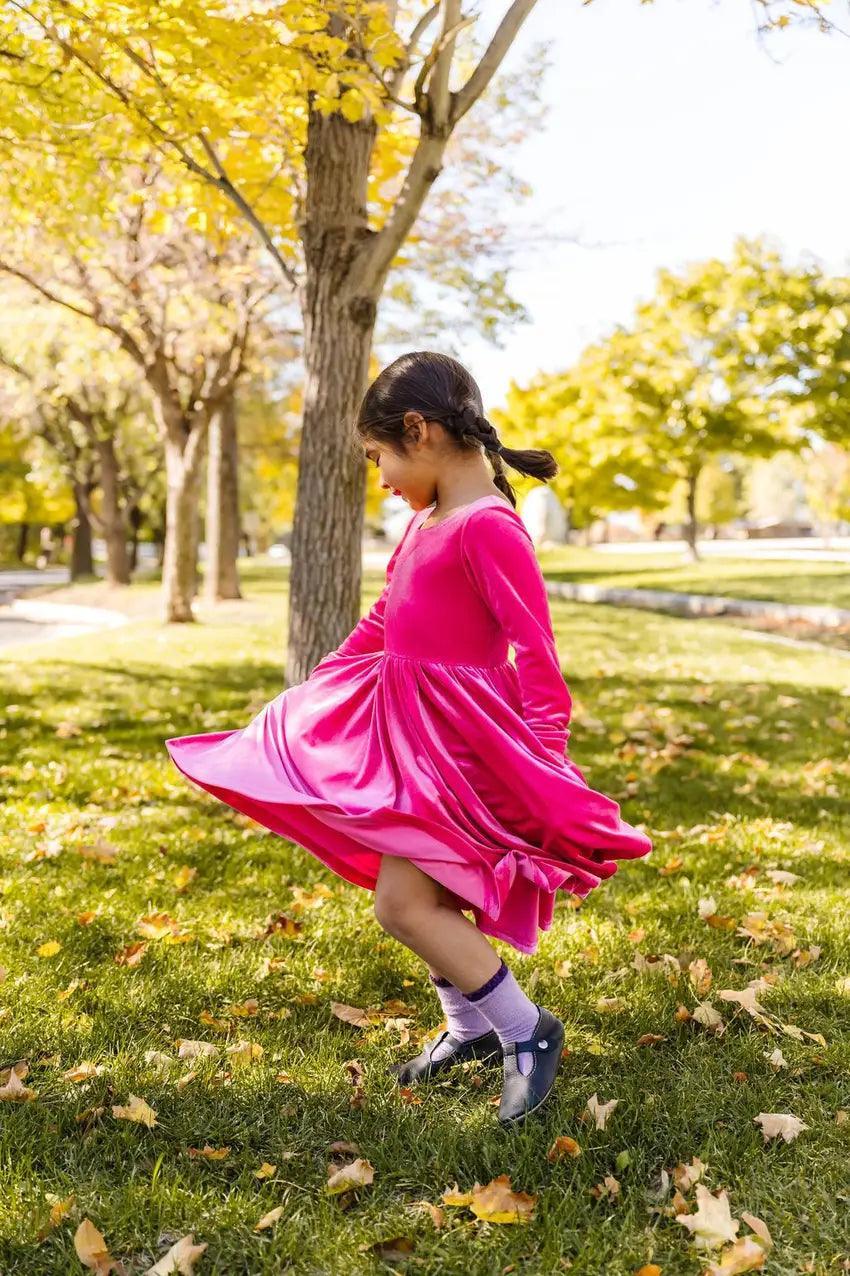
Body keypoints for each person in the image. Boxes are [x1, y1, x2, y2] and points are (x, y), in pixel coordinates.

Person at [165, 351, 653, 1127]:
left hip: (464, 753)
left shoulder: (489, 528)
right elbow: (384, 622)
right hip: (410, 751)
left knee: (403, 905)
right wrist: (314, 694)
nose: (382, 478)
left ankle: (528, 1034)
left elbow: (536, 652)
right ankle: (470, 1032)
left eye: (378, 457)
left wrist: (543, 763)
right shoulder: (427, 524)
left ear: (419, 432)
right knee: (407, 898)